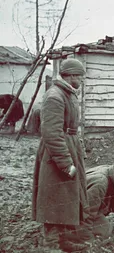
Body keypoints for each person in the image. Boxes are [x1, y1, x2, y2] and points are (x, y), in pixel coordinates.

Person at [31, 58, 92, 252]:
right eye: (80, 76)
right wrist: (65, 163)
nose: (81, 80)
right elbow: (51, 133)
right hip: (55, 156)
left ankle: (63, 239)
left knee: (68, 196)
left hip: (70, 147)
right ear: (71, 75)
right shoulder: (55, 97)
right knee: (55, 197)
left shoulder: (68, 94)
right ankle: (49, 244)